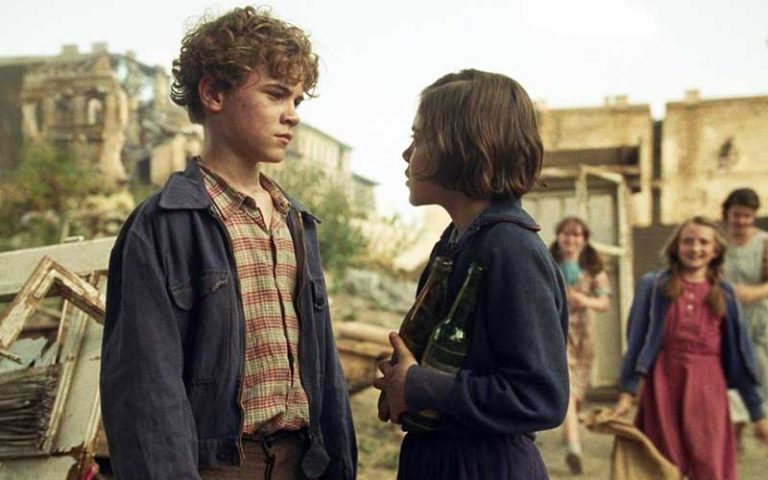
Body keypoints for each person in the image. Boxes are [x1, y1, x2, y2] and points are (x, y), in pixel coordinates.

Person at [99, 6, 356, 480]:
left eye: (298, 100)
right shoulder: (163, 225)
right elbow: (145, 388)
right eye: (275, 94)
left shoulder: (296, 220)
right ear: (214, 93)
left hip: (302, 463)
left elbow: (326, 372)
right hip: (217, 467)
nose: (292, 115)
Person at [373, 69, 569, 480]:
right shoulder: (454, 242)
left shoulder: (511, 249)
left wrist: (419, 385)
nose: (407, 154)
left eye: (419, 138)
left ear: (461, 148)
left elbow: (540, 397)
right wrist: (401, 381)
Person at [614, 216, 768, 479]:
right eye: (688, 241)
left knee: (710, 467)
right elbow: (637, 342)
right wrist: (626, 394)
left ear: (716, 250)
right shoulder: (654, 286)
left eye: (703, 242)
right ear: (677, 246)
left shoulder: (726, 293)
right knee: (663, 468)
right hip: (662, 389)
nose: (695, 248)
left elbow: (740, 356)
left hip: (708, 393)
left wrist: (758, 414)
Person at [549, 217, 611, 474]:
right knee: (568, 390)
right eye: (566, 234)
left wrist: (584, 300)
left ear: (584, 240)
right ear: (558, 237)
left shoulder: (593, 268)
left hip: (584, 335)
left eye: (576, 235)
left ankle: (569, 429)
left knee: (577, 393)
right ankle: (574, 448)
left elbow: (604, 303)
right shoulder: (548, 263)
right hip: (557, 333)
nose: (570, 240)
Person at [721, 188, 768, 448]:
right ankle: (731, 455)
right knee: (731, 398)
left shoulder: (764, 243)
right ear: (727, 213)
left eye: (747, 216)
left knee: (761, 393)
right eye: (737, 214)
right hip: (727, 324)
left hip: (760, 324)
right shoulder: (717, 243)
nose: (741, 221)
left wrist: (752, 293)